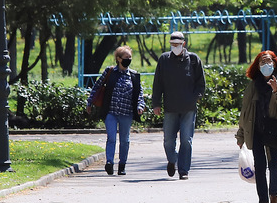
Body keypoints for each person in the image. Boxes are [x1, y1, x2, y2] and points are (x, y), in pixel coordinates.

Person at [235, 51, 277, 203]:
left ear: (275, 63)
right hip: (256, 129)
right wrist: (240, 135)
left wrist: (276, 91)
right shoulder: (253, 85)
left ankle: (274, 195)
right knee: (260, 167)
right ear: (257, 65)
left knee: (274, 165)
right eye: (262, 62)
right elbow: (245, 111)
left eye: (268, 61)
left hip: (274, 128)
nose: (266, 65)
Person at [152, 31, 206, 180]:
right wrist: (156, 104)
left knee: (186, 140)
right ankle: (172, 160)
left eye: (178, 44)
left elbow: (201, 84)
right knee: (168, 141)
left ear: (184, 44)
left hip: (188, 108)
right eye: (173, 44)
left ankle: (183, 170)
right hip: (170, 107)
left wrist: (196, 98)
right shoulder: (164, 59)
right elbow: (158, 84)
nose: (175, 46)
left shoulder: (194, 59)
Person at [86, 45, 146, 175]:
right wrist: (89, 102)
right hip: (111, 112)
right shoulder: (110, 72)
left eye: (130, 57)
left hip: (127, 113)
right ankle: (109, 162)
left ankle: (122, 164)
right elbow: (97, 87)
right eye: (126, 57)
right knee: (111, 137)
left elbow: (139, 93)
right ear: (118, 59)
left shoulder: (133, 76)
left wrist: (140, 105)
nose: (128, 60)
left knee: (125, 140)